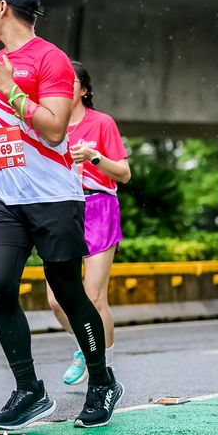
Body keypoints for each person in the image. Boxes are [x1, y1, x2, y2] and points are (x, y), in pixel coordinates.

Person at [0, 0, 123, 430]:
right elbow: (13, 127)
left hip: (53, 196)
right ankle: (30, 390)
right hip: (3, 195)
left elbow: (54, 129)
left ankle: (102, 382)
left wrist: (10, 88)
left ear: (2, 7)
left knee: (69, 291)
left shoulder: (51, 59)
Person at [46, 62, 131, 385]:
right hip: (60, 210)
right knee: (56, 300)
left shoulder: (102, 123)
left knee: (94, 298)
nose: (62, 86)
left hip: (98, 208)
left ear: (83, 90)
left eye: (70, 82)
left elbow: (124, 174)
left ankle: (104, 370)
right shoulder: (48, 124)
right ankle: (85, 346)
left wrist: (95, 157)